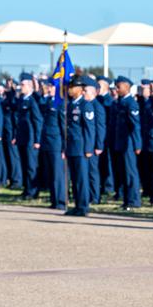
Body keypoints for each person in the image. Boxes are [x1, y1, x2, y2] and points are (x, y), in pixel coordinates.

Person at [64, 75, 95, 216]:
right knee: (74, 179)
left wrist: (89, 148)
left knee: (82, 179)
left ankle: (83, 207)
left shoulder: (85, 105)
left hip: (81, 148)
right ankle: (77, 206)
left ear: (80, 89)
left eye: (72, 87)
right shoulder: (71, 104)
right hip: (71, 147)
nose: (69, 90)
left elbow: (89, 129)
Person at [113, 76, 142, 210]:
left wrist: (137, 145)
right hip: (121, 143)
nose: (116, 89)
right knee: (123, 173)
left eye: (119, 86)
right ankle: (126, 200)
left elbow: (135, 126)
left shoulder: (131, 103)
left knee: (130, 173)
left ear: (126, 86)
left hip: (129, 144)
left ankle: (134, 200)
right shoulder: (120, 102)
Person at [37, 79, 67, 210]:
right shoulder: (49, 101)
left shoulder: (60, 103)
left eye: (51, 86)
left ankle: (61, 201)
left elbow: (64, 127)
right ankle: (54, 200)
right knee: (50, 174)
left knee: (58, 174)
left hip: (56, 143)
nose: (48, 88)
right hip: (47, 142)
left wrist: (64, 147)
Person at [14, 73, 42, 199]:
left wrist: (37, 139)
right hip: (22, 137)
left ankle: (33, 191)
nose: (21, 87)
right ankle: (26, 189)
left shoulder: (33, 100)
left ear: (30, 86)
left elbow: (37, 121)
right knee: (24, 164)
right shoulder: (21, 100)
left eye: (23, 85)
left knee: (31, 166)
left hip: (31, 137)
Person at [83, 77, 106, 205]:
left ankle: (95, 197)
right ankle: (89, 195)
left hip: (93, 146)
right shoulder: (86, 105)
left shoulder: (97, 106)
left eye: (85, 91)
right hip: (87, 144)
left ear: (92, 92)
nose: (83, 93)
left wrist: (99, 145)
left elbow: (100, 127)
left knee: (93, 173)